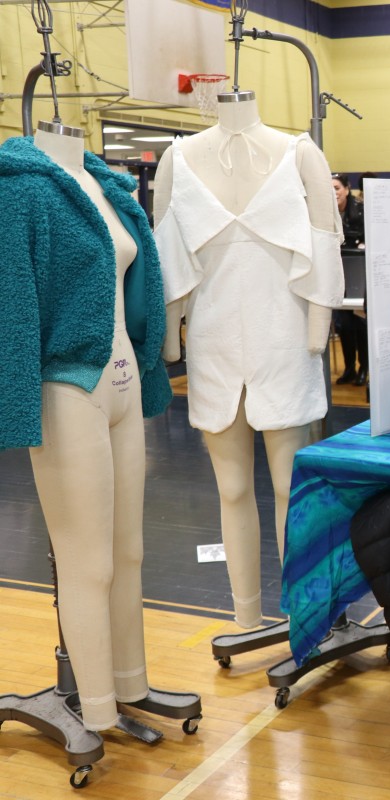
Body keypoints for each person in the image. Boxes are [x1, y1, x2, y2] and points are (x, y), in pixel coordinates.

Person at [1, 125, 198, 732]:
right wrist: (14, 405)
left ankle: (129, 686)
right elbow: (12, 299)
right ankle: (96, 710)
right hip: (67, 386)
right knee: (88, 561)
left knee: (129, 550)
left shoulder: (109, 186)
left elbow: (142, 281)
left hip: (123, 380)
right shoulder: (22, 191)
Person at [155, 90, 344, 630]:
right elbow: (166, 251)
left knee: (290, 487)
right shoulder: (179, 157)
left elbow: (325, 242)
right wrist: (174, 341)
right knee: (231, 489)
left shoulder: (299, 152)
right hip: (213, 344)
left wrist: (316, 331)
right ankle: (244, 617)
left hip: (285, 340)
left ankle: (302, 615)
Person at [333, 174, 368, 384]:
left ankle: (363, 368)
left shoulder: (361, 211)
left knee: (359, 322)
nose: (334, 192)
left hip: (359, 274)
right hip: (338, 274)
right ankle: (348, 369)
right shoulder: (325, 214)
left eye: (337, 188)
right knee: (343, 323)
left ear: (347, 189)